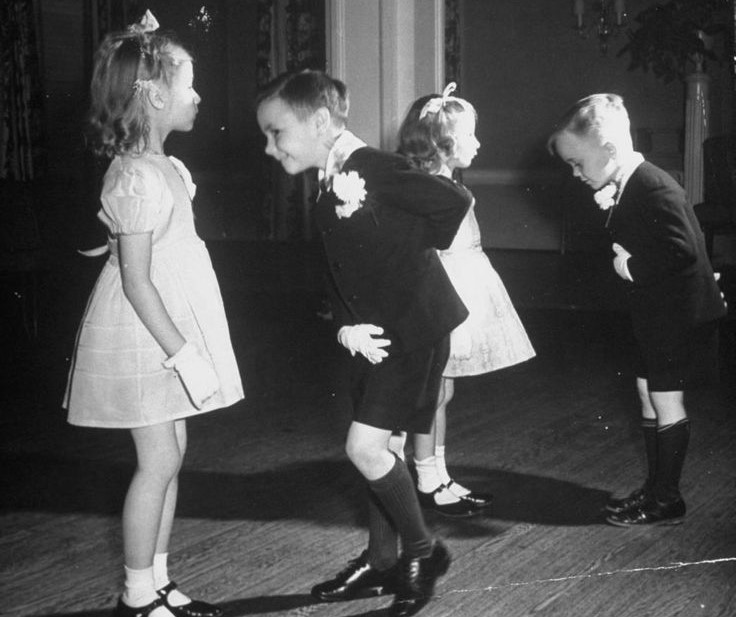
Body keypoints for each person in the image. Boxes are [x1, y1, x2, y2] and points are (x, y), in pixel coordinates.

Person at [256, 70, 469, 617]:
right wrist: (343, 326)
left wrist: (405, 263)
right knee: (384, 448)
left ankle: (424, 553)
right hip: (369, 335)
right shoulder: (330, 177)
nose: (268, 145)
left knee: (365, 448)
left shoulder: (370, 166)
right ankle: (380, 560)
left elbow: (452, 201)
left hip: (412, 327)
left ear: (320, 122)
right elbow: (339, 265)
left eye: (276, 132)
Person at [63, 11, 244, 617]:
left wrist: (110, 240)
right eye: (190, 85)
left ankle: (158, 581)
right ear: (157, 95)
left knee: (173, 454)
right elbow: (138, 282)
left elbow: (133, 246)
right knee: (158, 459)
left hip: (168, 321)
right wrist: (185, 354)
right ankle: (137, 595)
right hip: (148, 332)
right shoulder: (137, 175)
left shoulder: (167, 168)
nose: (198, 96)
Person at [547, 93, 726, 526]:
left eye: (578, 163)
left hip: (677, 317)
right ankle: (654, 489)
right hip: (657, 314)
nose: (574, 173)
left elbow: (681, 250)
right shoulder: (626, 183)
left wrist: (630, 266)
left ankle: (667, 498)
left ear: (608, 150)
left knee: (666, 399)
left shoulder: (654, 185)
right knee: (648, 393)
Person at [396, 84, 536, 517]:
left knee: (443, 390)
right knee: (431, 391)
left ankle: (437, 473)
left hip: (463, 285)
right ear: (443, 144)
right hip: (442, 292)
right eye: (470, 136)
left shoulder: (448, 183)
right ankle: (425, 477)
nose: (477, 143)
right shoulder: (429, 189)